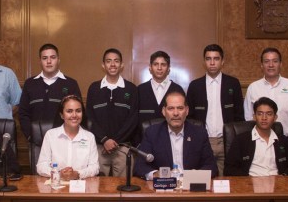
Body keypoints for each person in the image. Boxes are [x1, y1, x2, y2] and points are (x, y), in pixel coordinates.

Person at [186, 44, 244, 176]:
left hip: (227, 141)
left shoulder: (233, 83)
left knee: (226, 183)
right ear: (204, 62)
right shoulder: (195, 86)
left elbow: (239, 116)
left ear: (222, 61)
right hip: (203, 141)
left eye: (216, 59)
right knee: (203, 182)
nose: (212, 63)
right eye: (208, 59)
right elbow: (189, 118)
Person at [133, 91, 218, 180]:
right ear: (164, 111)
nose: (176, 113)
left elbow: (211, 166)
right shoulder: (152, 133)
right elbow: (139, 166)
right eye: (171, 108)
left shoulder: (199, 133)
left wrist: (193, 176)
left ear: (187, 110)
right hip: (163, 188)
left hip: (191, 187)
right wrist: (156, 174)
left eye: (180, 108)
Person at [86, 48, 138, 177]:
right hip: (99, 148)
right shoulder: (94, 88)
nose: (113, 64)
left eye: (116, 61)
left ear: (122, 65)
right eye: (109, 61)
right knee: (97, 188)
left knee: (124, 190)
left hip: (123, 148)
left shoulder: (131, 89)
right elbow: (89, 118)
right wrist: (104, 140)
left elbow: (133, 119)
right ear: (103, 65)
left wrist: (114, 141)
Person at [19, 44, 82, 142]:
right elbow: (23, 113)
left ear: (58, 60)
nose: (49, 61)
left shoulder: (71, 84)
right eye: (45, 58)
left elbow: (77, 114)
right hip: (36, 141)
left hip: (64, 140)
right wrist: (30, 136)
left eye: (53, 57)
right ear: (40, 61)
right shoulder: (29, 84)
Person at [224, 97, 288, 176]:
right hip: (250, 184)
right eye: (260, 114)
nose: (264, 118)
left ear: (275, 118)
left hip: (278, 184)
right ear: (254, 117)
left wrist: (284, 175)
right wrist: (248, 179)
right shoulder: (241, 140)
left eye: (269, 114)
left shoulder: (282, 140)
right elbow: (229, 169)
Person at [244, 47, 288, 145]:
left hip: (287, 141)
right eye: (266, 61)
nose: (271, 65)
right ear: (261, 65)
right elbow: (248, 118)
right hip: (260, 141)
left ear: (280, 64)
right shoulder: (253, 87)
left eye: (275, 61)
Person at [36, 95, 99, 179]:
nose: (74, 115)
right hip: (56, 184)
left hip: (81, 186)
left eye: (78, 111)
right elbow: (41, 166)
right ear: (62, 115)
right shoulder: (51, 135)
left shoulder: (89, 137)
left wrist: (77, 174)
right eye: (69, 111)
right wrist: (59, 174)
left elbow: (94, 167)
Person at [135, 51, 185, 145]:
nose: (159, 68)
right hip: (145, 144)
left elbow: (183, 117)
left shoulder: (177, 90)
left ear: (168, 68)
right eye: (155, 64)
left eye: (163, 64)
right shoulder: (140, 90)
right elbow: (134, 120)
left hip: (172, 144)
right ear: (150, 67)